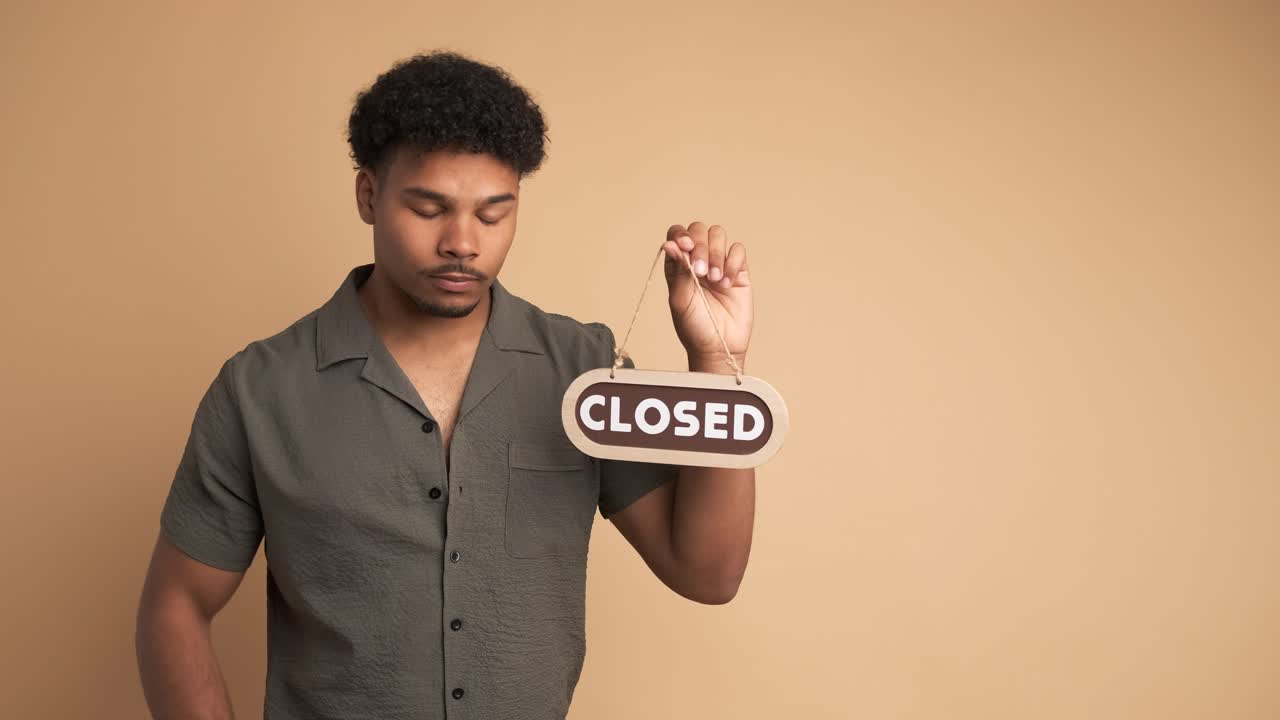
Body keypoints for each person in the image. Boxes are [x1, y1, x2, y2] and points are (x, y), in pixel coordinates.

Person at [135, 50, 756, 720]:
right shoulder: (259, 389)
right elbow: (176, 604)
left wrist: (715, 359)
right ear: (369, 195)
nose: (463, 241)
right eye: (430, 208)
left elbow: (706, 573)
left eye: (493, 214)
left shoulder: (582, 367)